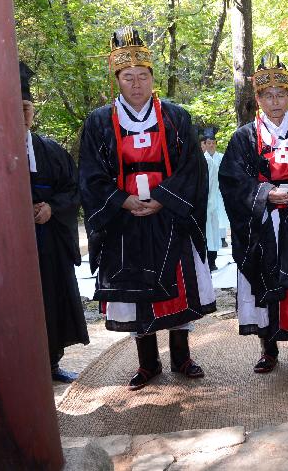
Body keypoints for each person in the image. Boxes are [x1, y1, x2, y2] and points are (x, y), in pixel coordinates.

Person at [79, 27, 216, 390]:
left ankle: (182, 357)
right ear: (117, 80)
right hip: (124, 219)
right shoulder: (98, 122)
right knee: (135, 287)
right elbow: (91, 173)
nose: (136, 83)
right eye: (128, 77)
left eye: (142, 76)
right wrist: (122, 200)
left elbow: (192, 168)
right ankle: (147, 363)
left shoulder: (175, 117)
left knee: (177, 287)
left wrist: (163, 199)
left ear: (152, 78)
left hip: (168, 215)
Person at [219, 54, 288, 373]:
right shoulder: (244, 137)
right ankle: (268, 349)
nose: (275, 101)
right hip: (263, 223)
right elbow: (232, 178)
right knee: (263, 278)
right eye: (268, 95)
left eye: (281, 94)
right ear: (258, 99)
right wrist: (266, 194)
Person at [21, 61, 89, 383]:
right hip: (13, 249)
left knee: (52, 299)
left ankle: (51, 363)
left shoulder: (49, 151)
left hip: (48, 241)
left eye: (27, 107)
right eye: (16, 107)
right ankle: (20, 367)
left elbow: (74, 189)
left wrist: (52, 208)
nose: (23, 114)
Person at [200, 126, 224, 271]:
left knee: (213, 230)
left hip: (215, 196)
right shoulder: (202, 159)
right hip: (207, 199)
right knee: (208, 230)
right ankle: (208, 260)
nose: (210, 145)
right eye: (207, 143)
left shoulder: (217, 158)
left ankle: (212, 260)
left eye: (212, 143)